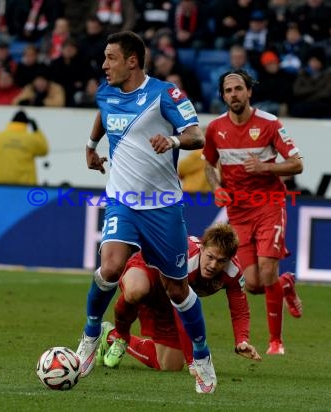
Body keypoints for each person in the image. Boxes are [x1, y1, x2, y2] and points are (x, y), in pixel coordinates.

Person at [78, 31, 217, 394]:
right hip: (122, 201)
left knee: (177, 288)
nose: (104, 65)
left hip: (162, 207)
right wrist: (92, 147)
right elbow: (102, 113)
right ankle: (91, 336)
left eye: (110, 58)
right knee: (109, 265)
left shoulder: (165, 94)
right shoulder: (106, 91)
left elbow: (197, 136)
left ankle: (201, 357)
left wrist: (171, 140)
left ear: (132, 61)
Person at [203, 69, 304, 355]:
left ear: (249, 92)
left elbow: (297, 164)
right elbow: (208, 164)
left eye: (238, 89)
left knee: (268, 269)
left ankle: (276, 343)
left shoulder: (270, 124)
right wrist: (216, 188)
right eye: (228, 91)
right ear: (222, 95)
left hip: (269, 204)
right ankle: (286, 285)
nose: (233, 95)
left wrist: (266, 167)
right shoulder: (215, 129)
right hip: (238, 213)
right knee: (255, 285)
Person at [95, 223, 266, 372]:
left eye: (221, 261)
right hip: (148, 270)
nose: (213, 265)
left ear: (229, 259)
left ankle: (108, 334)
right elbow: (183, 314)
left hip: (170, 297)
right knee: (135, 290)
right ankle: (121, 336)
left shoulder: (234, 273)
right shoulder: (187, 262)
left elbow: (240, 310)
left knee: (170, 365)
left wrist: (242, 341)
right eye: (210, 257)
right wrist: (195, 362)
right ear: (202, 248)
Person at [0, 110, 48, 185]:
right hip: (25, 187)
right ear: (26, 124)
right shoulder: (31, 139)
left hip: (0, 185)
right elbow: (44, 150)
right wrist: (36, 130)